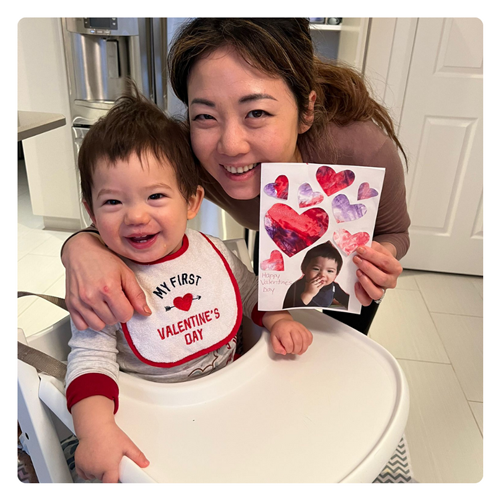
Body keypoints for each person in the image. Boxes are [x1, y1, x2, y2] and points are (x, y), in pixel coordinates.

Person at [61, 18, 410, 336]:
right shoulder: (188, 156)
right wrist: (79, 248)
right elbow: (125, 201)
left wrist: (381, 257)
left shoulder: (363, 151)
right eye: (205, 116)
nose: (230, 146)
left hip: (346, 270)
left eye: (256, 112)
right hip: (281, 249)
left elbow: (394, 231)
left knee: (339, 359)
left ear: (306, 110)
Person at [65, 84, 313, 483]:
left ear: (193, 201)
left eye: (156, 196)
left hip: (230, 403)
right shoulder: (104, 283)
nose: (136, 216)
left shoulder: (211, 251)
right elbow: (89, 363)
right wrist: (95, 432)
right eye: (113, 202)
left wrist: (278, 320)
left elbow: (249, 292)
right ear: (90, 211)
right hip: (158, 425)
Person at [283, 242, 349, 310]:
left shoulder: (334, 287)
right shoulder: (296, 286)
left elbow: (347, 301)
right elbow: (290, 308)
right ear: (304, 268)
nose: (322, 275)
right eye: (316, 269)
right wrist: (308, 294)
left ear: (336, 274)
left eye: (330, 271)